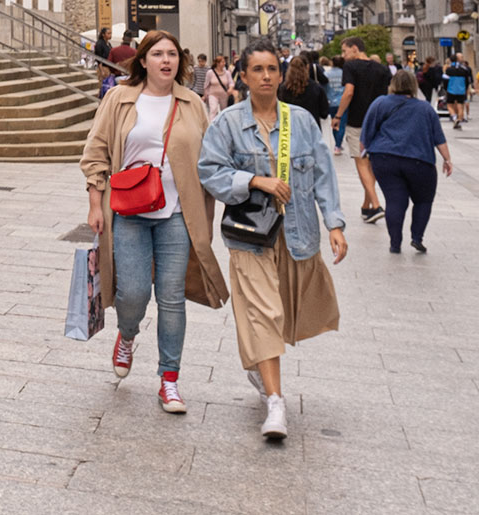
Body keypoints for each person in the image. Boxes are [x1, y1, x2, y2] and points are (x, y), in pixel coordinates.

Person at [199, 38, 349, 441]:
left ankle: (258, 365)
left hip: (296, 232)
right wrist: (252, 179)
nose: (266, 76)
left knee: (281, 313)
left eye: (272, 69)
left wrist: (334, 224)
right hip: (250, 237)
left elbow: (322, 173)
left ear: (280, 76)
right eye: (257, 70)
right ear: (243, 76)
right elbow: (209, 171)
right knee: (264, 311)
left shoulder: (299, 120)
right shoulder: (228, 123)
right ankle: (276, 402)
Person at [80, 30, 229, 414]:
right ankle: (127, 334)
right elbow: (96, 151)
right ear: (143, 60)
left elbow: (210, 158)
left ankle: (169, 380)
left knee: (171, 298)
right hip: (129, 212)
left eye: (173, 54)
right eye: (158, 54)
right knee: (132, 294)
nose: (167, 60)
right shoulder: (119, 99)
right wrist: (96, 203)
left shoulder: (192, 103)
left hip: (177, 215)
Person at [360, 69, 453, 253]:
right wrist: (447, 159)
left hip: (385, 158)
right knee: (423, 200)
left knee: (395, 201)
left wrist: (365, 152)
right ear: (414, 85)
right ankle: (417, 237)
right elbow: (438, 137)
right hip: (420, 160)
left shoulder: (380, 103)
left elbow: (367, 132)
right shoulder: (425, 108)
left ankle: (395, 243)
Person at [333, 38, 392, 225]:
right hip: (379, 121)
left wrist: (338, 115)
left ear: (355, 48)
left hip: (358, 121)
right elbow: (389, 95)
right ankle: (367, 205)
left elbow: (349, 92)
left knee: (361, 163)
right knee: (371, 163)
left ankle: (375, 204)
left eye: (344, 51)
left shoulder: (351, 67)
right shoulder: (382, 69)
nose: (343, 56)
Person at [280, 52, 330, 124]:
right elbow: (324, 113)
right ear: (307, 67)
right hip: (311, 127)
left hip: (290, 128)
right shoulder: (316, 88)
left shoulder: (284, 88)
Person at [444, 53, 473, 129]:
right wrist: (466, 89)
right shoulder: (464, 69)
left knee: (449, 105)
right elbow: (467, 81)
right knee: (460, 106)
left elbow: (445, 80)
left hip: (451, 90)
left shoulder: (449, 69)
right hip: (461, 90)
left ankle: (454, 117)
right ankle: (459, 120)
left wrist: (445, 88)